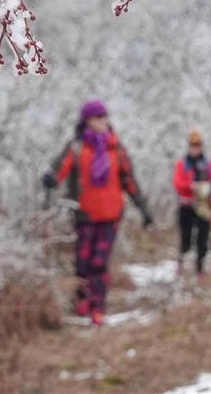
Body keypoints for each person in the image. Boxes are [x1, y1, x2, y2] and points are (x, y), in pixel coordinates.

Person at [42, 99, 153, 326]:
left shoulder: (116, 149)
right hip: (84, 215)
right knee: (83, 262)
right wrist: (51, 179)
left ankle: (98, 308)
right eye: (98, 117)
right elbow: (60, 170)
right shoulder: (76, 147)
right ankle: (82, 301)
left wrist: (144, 209)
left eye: (105, 116)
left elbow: (129, 181)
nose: (103, 121)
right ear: (87, 121)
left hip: (111, 216)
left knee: (99, 262)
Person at [172, 129, 211, 282]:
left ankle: (200, 268)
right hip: (186, 205)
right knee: (185, 236)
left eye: (197, 145)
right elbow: (177, 183)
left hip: (203, 206)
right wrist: (191, 186)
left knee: (202, 238)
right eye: (193, 145)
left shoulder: (207, 165)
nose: (195, 148)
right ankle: (181, 261)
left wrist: (207, 188)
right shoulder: (182, 164)